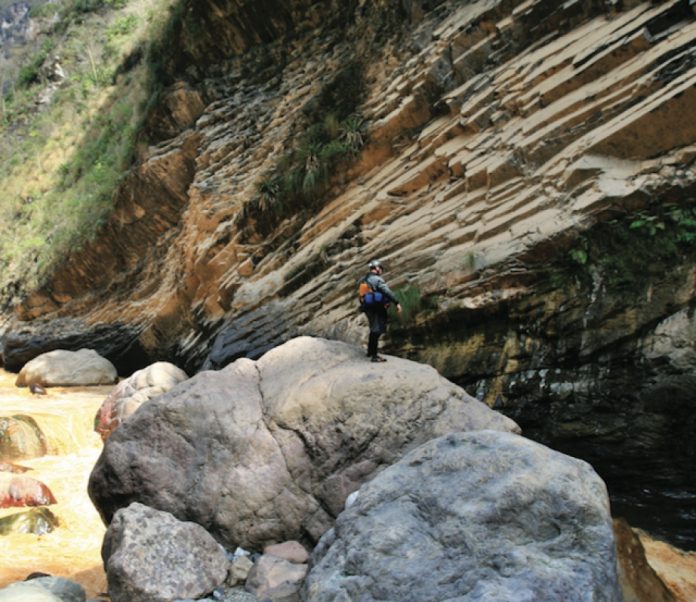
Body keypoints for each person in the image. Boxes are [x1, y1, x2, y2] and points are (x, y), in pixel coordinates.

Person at [360, 259, 401, 362]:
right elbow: (387, 291)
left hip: (367, 307)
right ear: (377, 268)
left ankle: (370, 352)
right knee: (377, 330)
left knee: (373, 329)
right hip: (376, 308)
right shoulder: (377, 279)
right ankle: (374, 356)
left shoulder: (364, 279)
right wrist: (396, 302)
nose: (381, 271)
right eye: (381, 269)